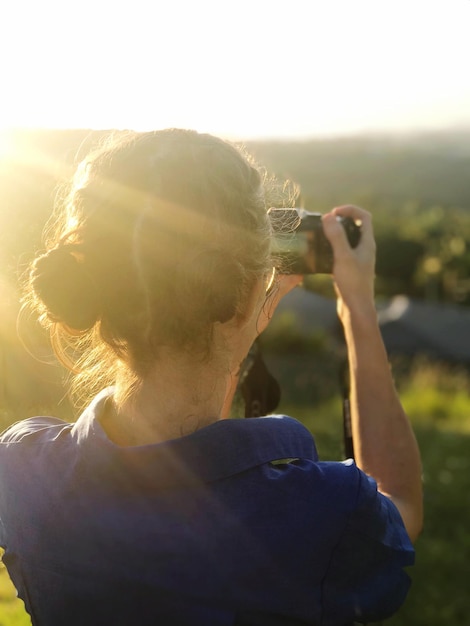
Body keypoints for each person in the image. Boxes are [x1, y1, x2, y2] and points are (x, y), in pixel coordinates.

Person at [0, 129, 422, 626]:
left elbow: (187, 459)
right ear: (242, 294)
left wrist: (238, 324)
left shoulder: (23, 472)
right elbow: (401, 510)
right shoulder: (323, 509)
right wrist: (358, 308)